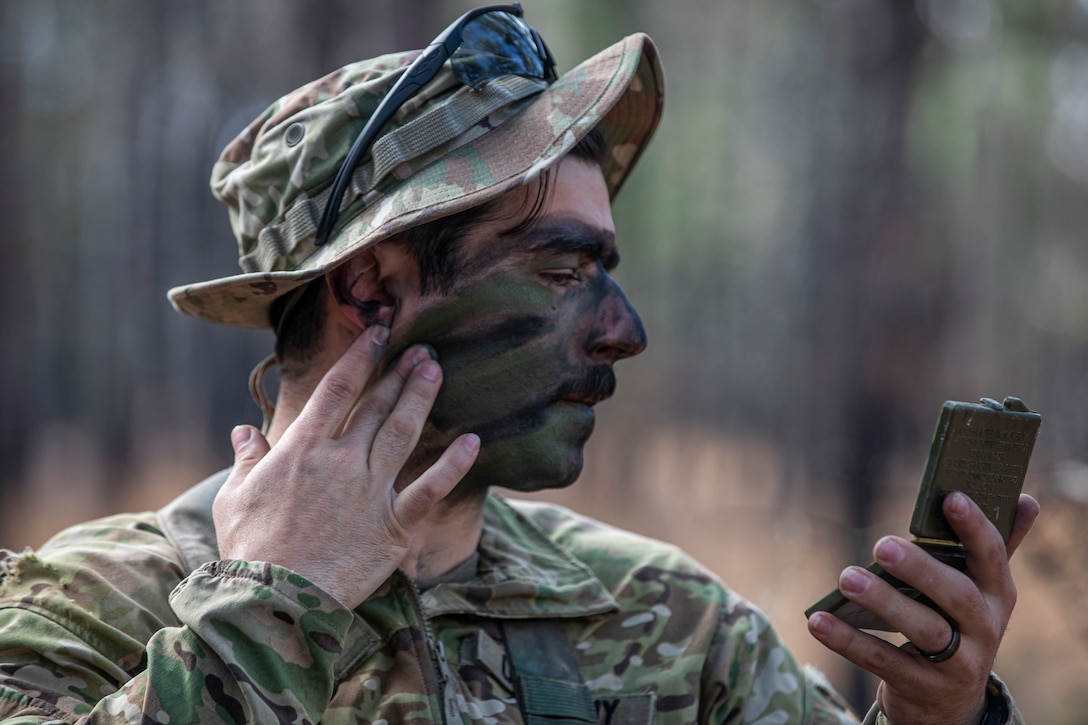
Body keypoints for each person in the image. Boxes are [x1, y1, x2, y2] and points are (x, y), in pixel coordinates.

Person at [0, 6, 1037, 724]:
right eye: (559, 267)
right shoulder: (91, 610)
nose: (623, 331)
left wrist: (936, 711)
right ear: (374, 288)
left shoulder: (666, 620)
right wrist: (270, 612)